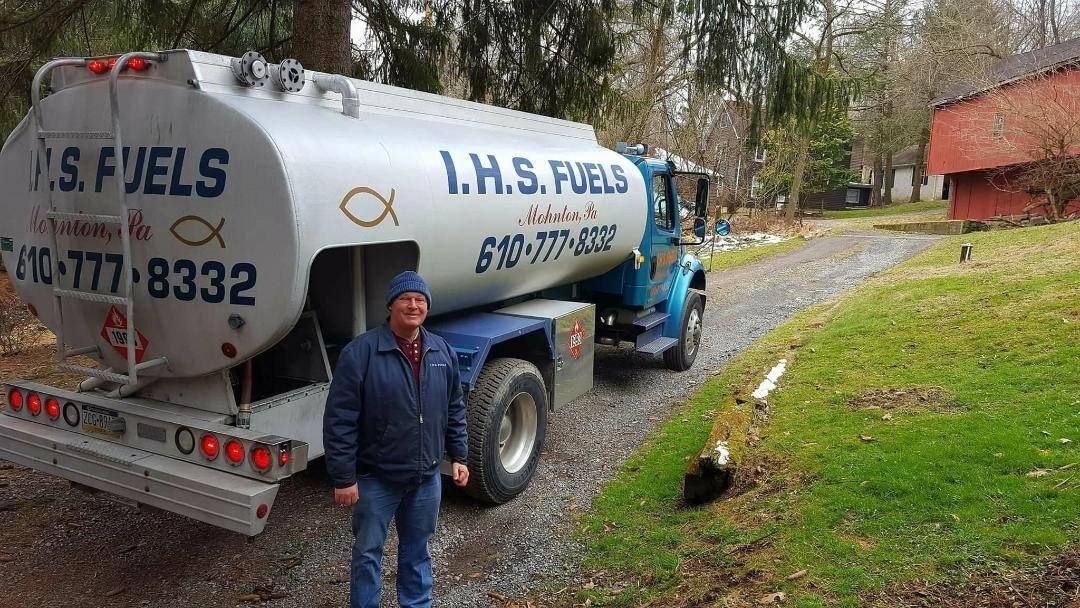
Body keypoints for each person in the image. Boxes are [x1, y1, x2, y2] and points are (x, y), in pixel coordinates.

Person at [323, 270, 469, 608]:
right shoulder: (361, 353)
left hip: (426, 478)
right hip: (376, 479)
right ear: (391, 305)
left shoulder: (440, 350)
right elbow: (339, 420)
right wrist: (344, 477)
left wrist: (459, 456)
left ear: (427, 308)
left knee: (418, 552)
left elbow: (454, 406)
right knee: (367, 554)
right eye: (406, 299)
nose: (413, 305)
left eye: (420, 300)